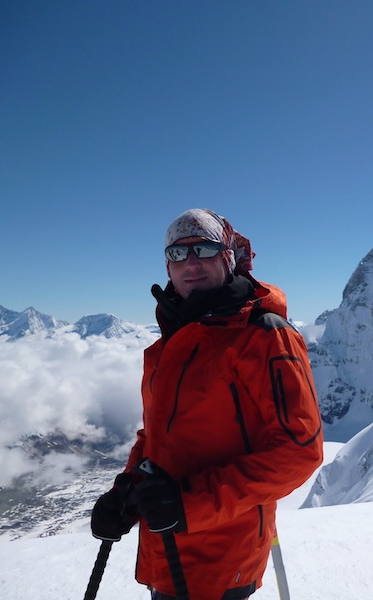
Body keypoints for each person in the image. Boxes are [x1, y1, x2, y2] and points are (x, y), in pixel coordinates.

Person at [91, 209, 324, 600]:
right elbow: (158, 437)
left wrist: (189, 503)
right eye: (178, 255)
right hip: (167, 549)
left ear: (227, 257)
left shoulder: (264, 337)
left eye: (203, 249)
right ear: (167, 267)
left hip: (221, 559)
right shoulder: (171, 343)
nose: (191, 263)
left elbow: (299, 451)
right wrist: (128, 492)